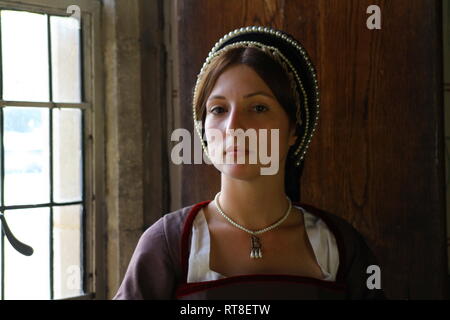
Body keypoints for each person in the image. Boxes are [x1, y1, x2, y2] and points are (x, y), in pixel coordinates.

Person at [113, 26, 386, 300]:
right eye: (218, 109)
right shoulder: (169, 243)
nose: (234, 127)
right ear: (203, 129)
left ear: (294, 130)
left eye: (258, 108)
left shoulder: (339, 245)